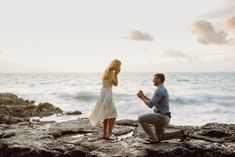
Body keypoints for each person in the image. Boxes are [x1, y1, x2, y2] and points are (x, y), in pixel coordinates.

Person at [137, 73, 188, 144]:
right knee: (160, 137)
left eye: (154, 79)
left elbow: (150, 105)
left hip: (162, 117)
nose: (152, 80)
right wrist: (144, 96)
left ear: (159, 79)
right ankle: (180, 134)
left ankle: (153, 139)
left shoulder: (159, 90)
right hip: (164, 117)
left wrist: (141, 98)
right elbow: (153, 102)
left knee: (140, 118)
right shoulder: (162, 89)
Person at [90, 59, 121, 140]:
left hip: (104, 93)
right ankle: (109, 132)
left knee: (107, 115)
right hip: (107, 93)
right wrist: (116, 74)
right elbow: (115, 84)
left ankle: (105, 134)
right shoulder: (111, 71)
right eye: (119, 66)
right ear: (116, 65)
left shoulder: (106, 70)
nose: (120, 68)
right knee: (113, 114)